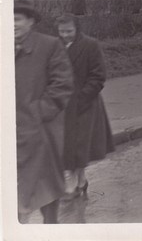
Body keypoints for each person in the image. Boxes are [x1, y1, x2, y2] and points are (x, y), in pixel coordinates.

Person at [14, 0, 74, 223]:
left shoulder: (49, 46)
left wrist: (37, 113)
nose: (11, 24)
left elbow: (62, 86)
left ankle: (50, 229)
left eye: (17, 19)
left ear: (30, 21)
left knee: (46, 189)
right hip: (12, 133)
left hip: (41, 133)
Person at [55, 14, 114, 199]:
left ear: (77, 29)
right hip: (60, 104)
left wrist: (82, 98)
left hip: (85, 103)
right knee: (65, 145)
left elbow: (98, 75)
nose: (65, 35)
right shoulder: (53, 46)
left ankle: (72, 185)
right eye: (61, 31)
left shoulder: (90, 45)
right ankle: (80, 181)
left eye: (69, 31)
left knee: (79, 145)